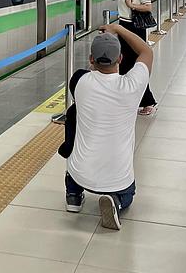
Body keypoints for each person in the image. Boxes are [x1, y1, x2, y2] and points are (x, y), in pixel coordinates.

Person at [65, 23, 153, 230]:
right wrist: (118, 29)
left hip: (80, 172)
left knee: (75, 156)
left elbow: (90, 75)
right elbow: (146, 51)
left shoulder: (79, 81)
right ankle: (117, 201)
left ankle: (73, 196)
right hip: (117, 179)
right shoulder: (132, 86)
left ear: (91, 60)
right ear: (121, 59)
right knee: (128, 192)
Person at [114, 0, 157, 115]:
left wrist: (132, 5)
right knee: (124, 65)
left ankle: (149, 102)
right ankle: (128, 100)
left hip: (134, 28)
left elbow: (148, 7)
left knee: (135, 65)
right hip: (123, 26)